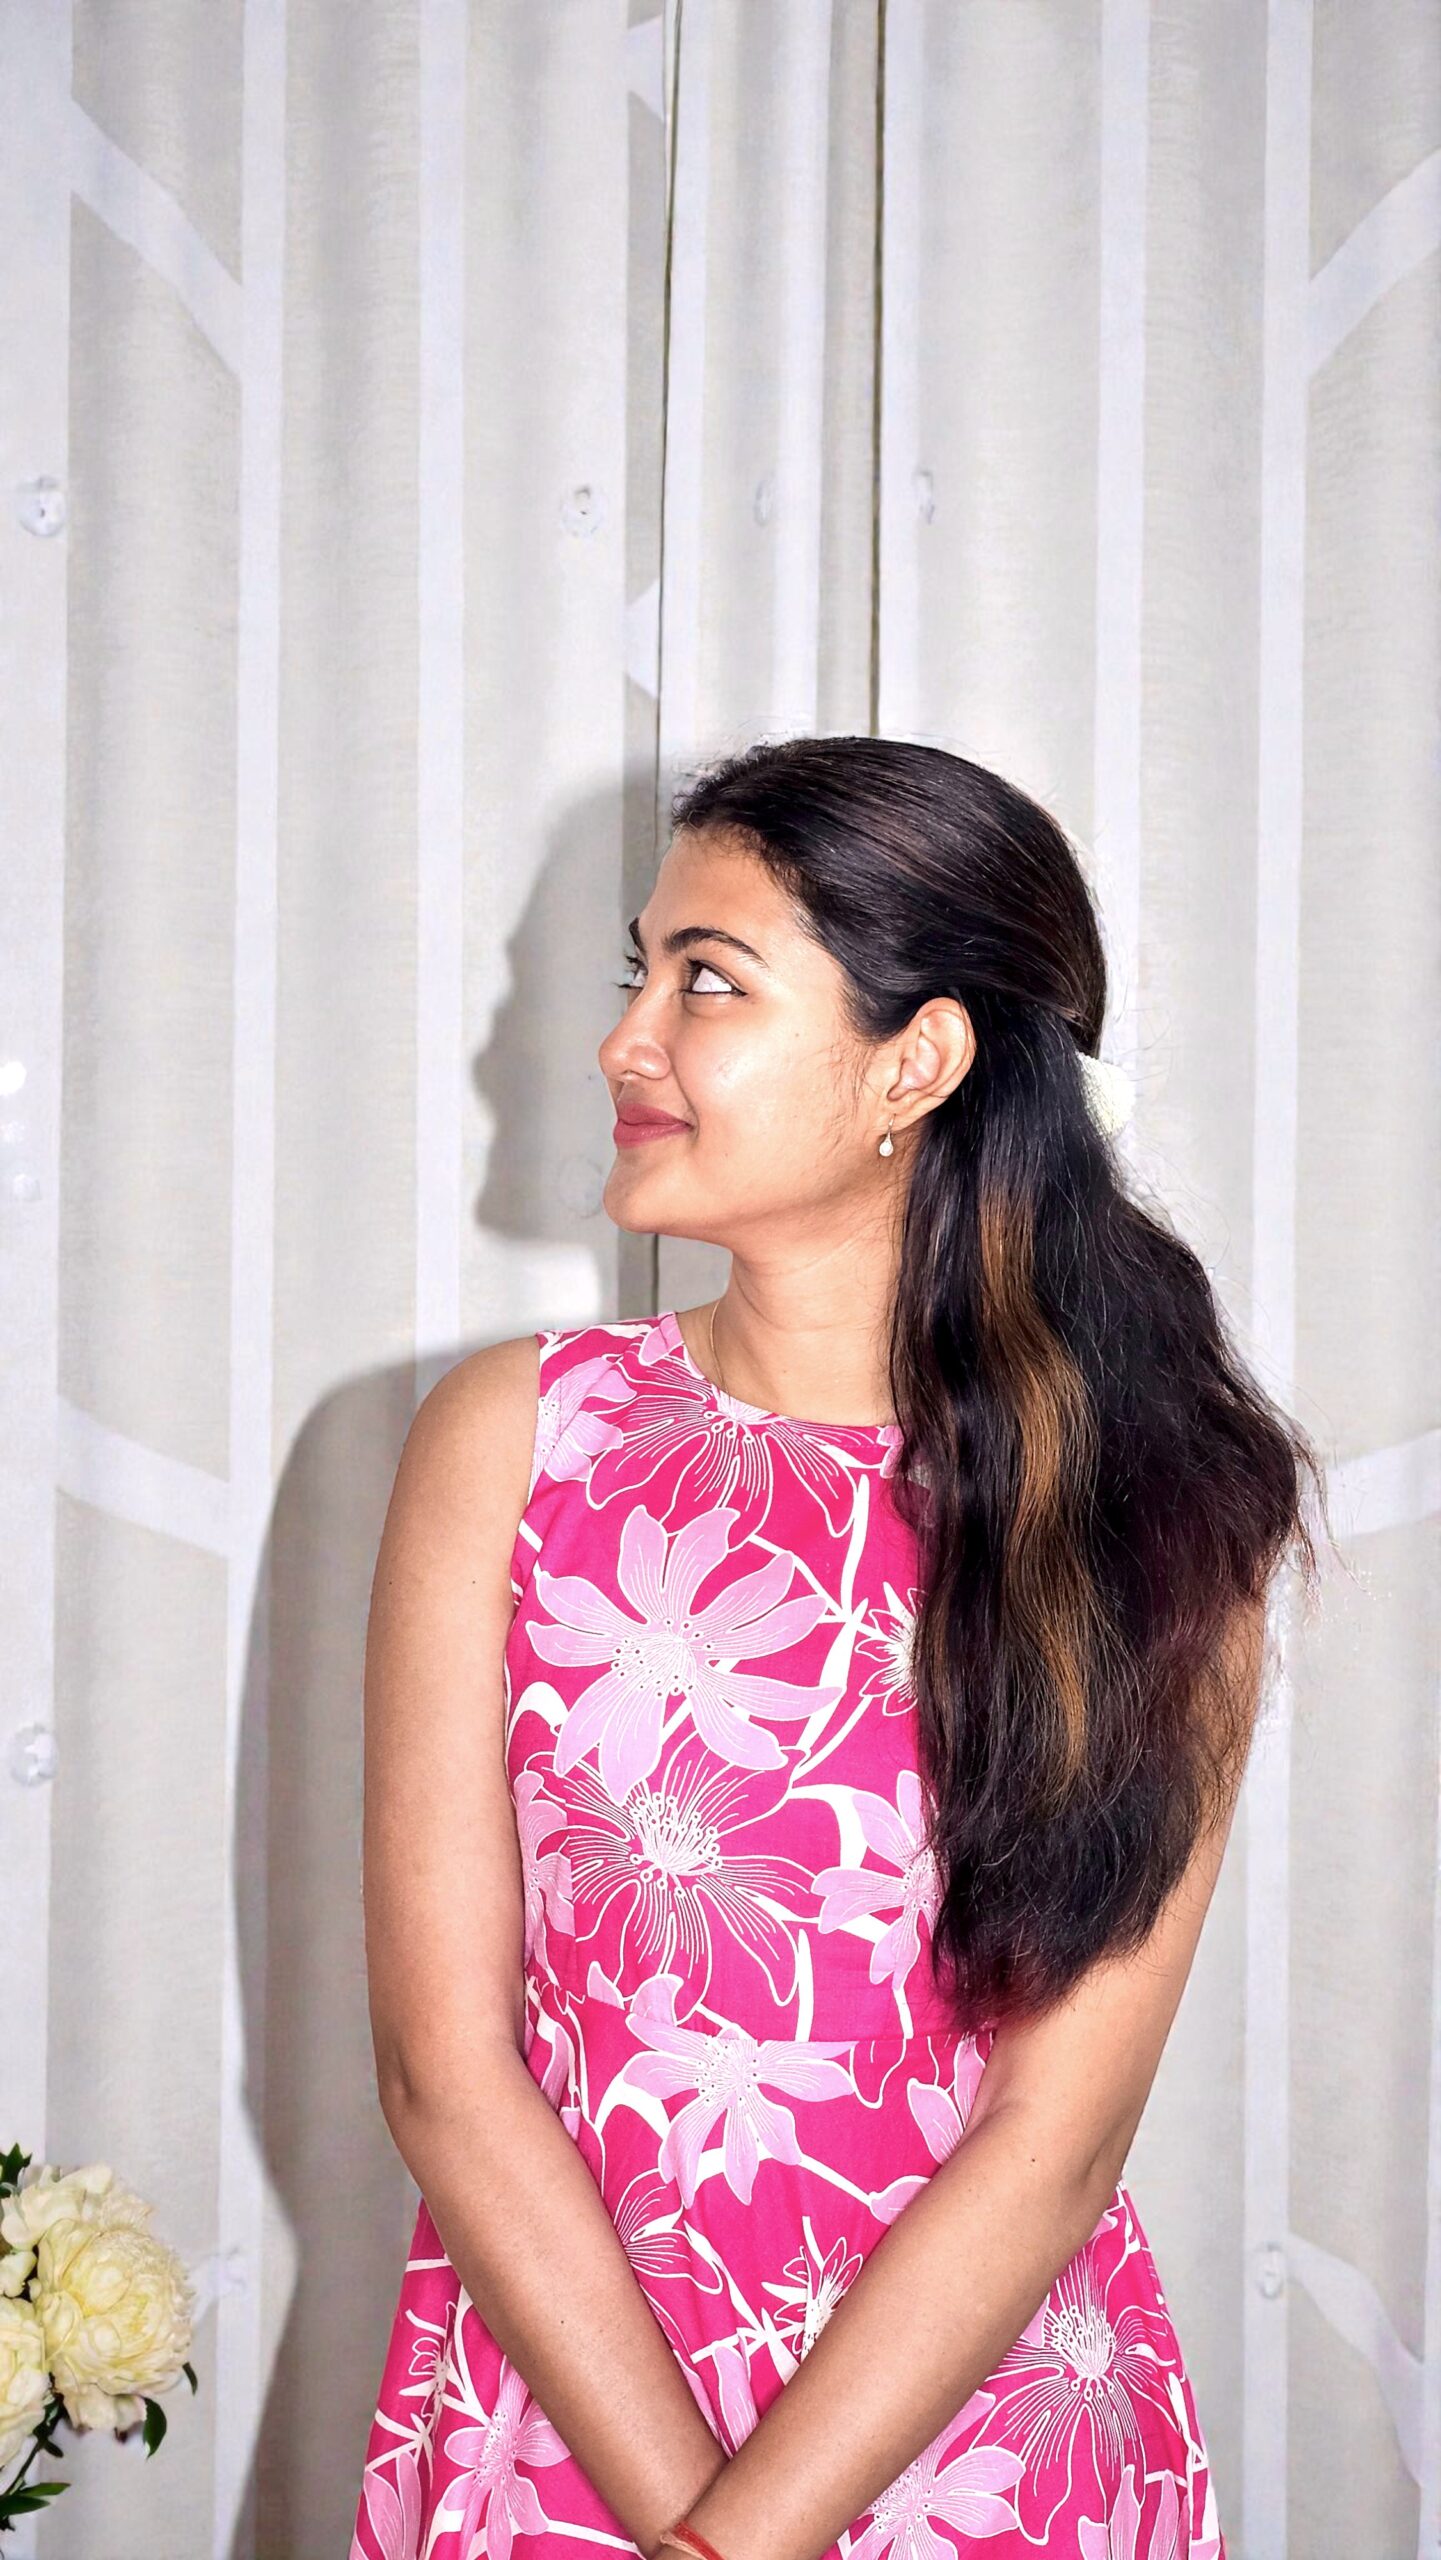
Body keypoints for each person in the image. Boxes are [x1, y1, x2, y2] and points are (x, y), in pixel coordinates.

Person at [348, 736, 1324, 2560]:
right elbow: (444, 2071)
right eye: (639, 972)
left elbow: (1054, 2138)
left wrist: (738, 2541)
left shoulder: (1162, 1507)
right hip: (564, 2428)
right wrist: (696, 2532)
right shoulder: (514, 1439)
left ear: (914, 1060)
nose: (622, 1042)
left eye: (705, 981)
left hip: (982, 2459)